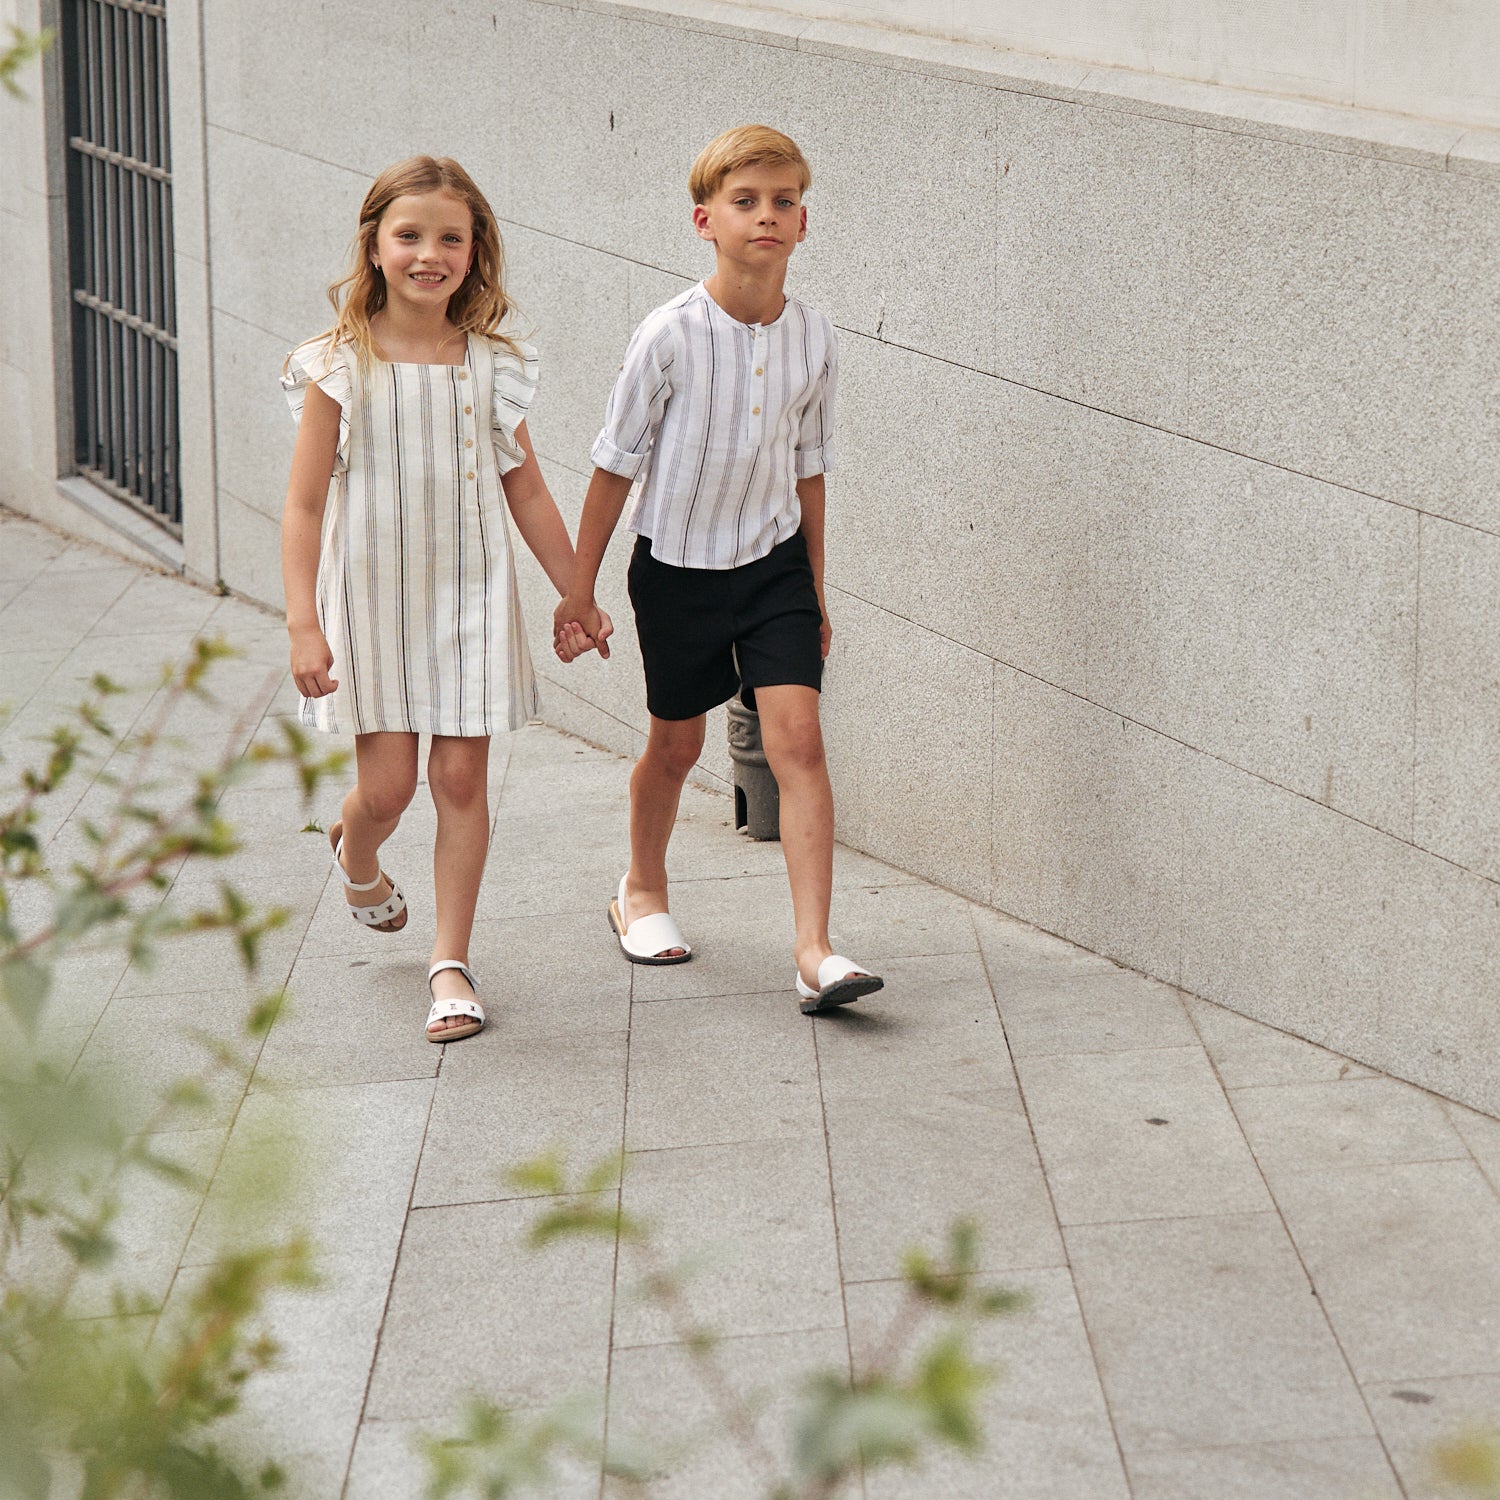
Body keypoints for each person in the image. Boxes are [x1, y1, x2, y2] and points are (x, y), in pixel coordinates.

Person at [552, 124, 883, 1015]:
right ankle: (641, 893)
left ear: (804, 223)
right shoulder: (667, 335)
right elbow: (613, 465)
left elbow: (811, 465)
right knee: (676, 744)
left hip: (773, 567)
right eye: (745, 202)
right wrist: (578, 591)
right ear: (705, 220)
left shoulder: (816, 337)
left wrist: (815, 586)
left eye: (782, 202)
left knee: (799, 743)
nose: (765, 217)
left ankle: (814, 950)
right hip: (678, 572)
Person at [280, 155, 605, 1042]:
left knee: (459, 775)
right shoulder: (338, 365)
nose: (431, 254)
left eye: (450, 238)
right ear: (376, 246)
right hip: (373, 601)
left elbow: (527, 490)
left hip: (471, 593)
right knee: (384, 791)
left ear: (475, 250)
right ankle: (357, 855)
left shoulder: (494, 364)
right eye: (410, 236)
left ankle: (449, 961)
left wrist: (576, 590)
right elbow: (306, 504)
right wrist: (304, 624)